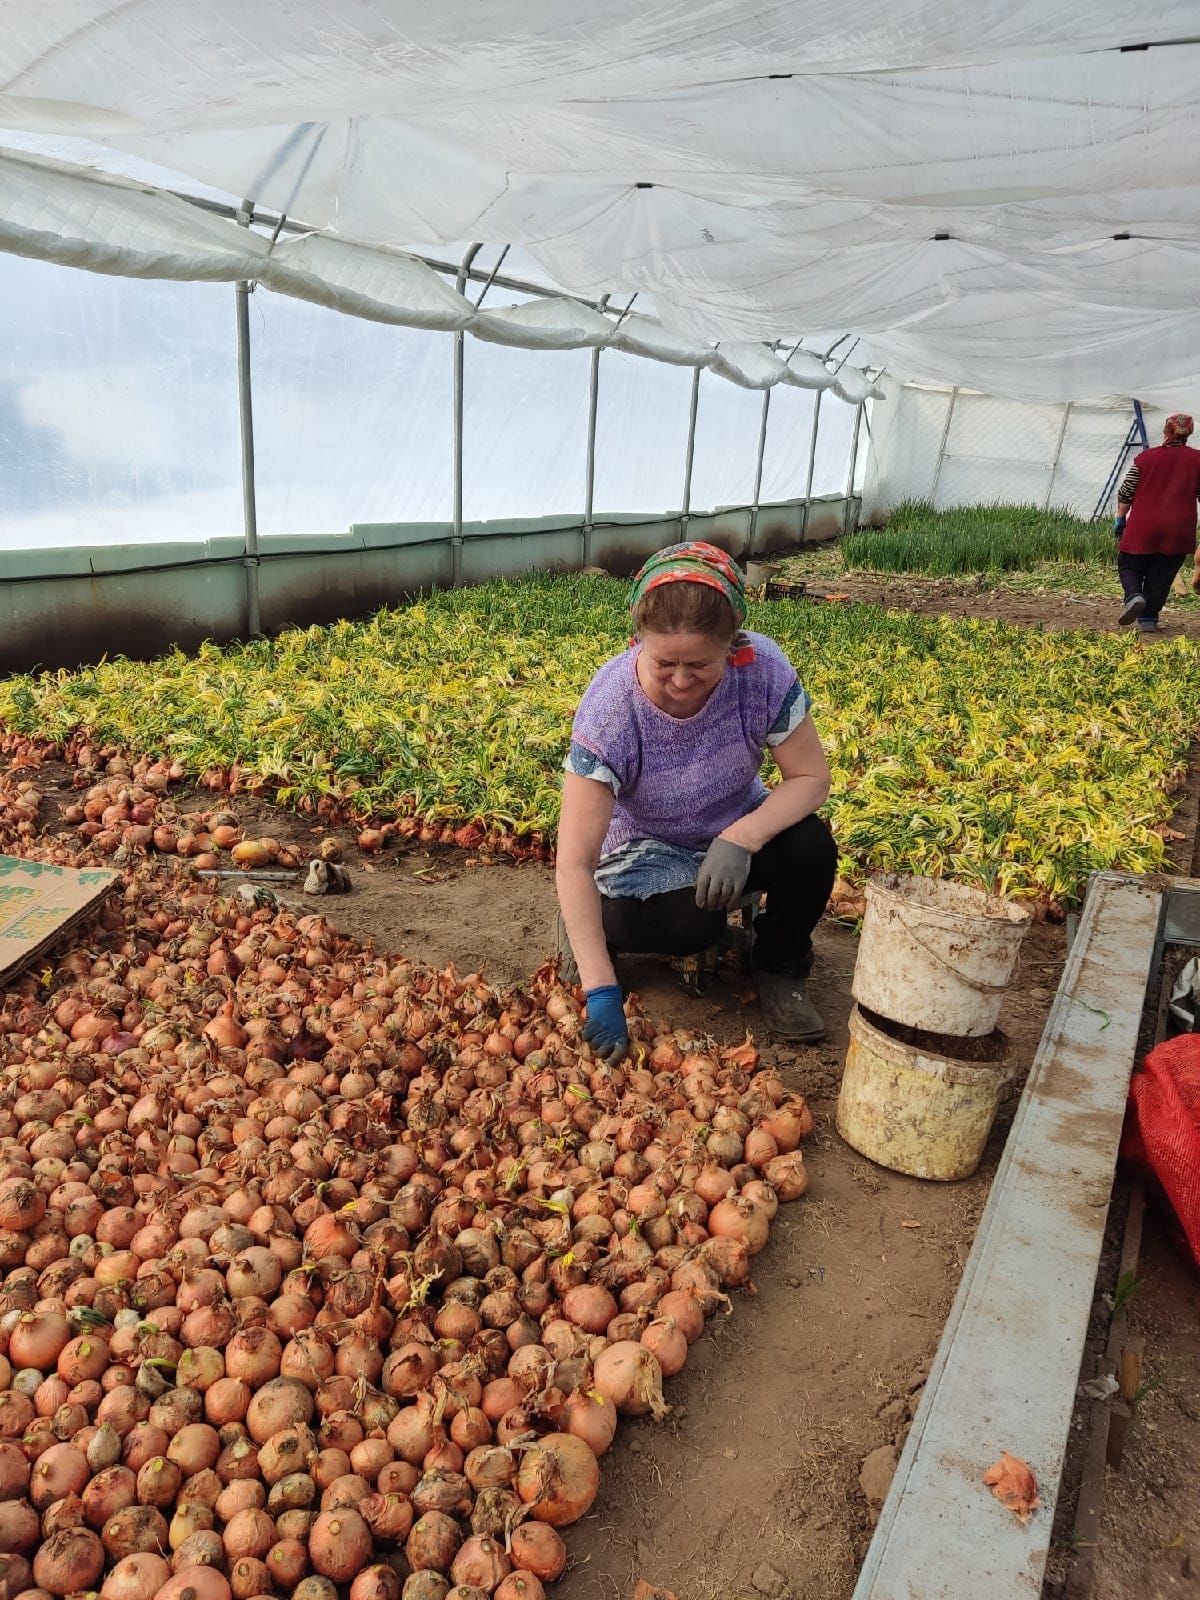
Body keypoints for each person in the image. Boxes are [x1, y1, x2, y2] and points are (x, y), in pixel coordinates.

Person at [555, 540, 838, 1064]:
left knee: (811, 847)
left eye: (701, 665)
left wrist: (741, 836)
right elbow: (574, 861)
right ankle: (599, 923)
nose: (682, 681)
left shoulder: (762, 672)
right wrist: (600, 991)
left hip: (733, 826)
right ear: (638, 639)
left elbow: (810, 778)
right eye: (665, 663)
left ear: (733, 644)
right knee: (691, 926)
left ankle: (779, 965)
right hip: (645, 848)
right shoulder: (612, 709)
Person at [1114, 412, 1200, 632]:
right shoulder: (1198, 461)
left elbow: (1127, 491)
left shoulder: (1146, 459)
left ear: (1165, 431)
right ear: (1189, 434)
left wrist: (1120, 518)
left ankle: (1134, 595)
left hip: (1144, 525)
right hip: (1179, 529)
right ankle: (1149, 619)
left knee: (1129, 564)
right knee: (1163, 573)